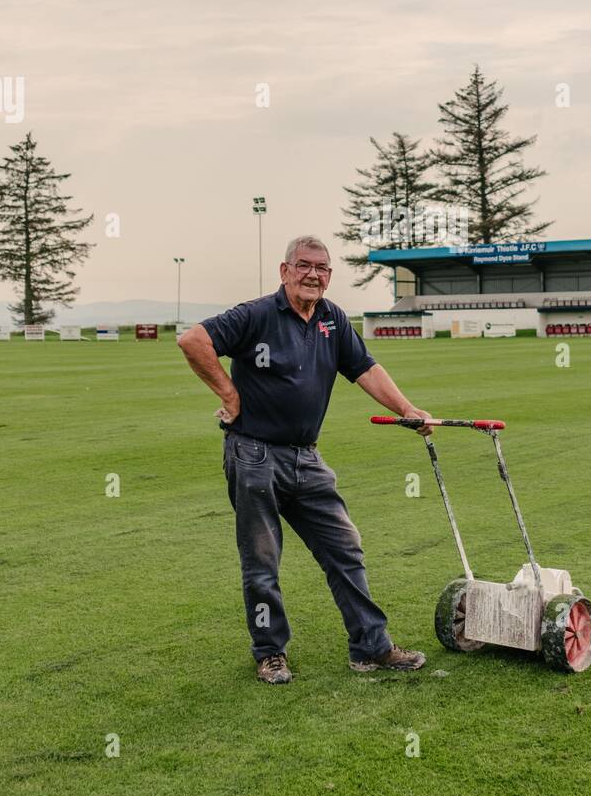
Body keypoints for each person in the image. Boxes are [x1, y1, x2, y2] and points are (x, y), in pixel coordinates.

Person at [176, 235, 432, 685]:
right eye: (304, 266)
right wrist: (229, 394)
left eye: (322, 268)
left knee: (345, 548)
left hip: (306, 458)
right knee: (262, 559)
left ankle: (371, 647)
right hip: (253, 453)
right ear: (284, 270)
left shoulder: (332, 318)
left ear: (330, 276)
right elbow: (193, 340)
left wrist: (407, 409)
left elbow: (365, 369)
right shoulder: (256, 314)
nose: (313, 274)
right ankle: (270, 652)